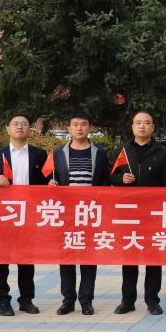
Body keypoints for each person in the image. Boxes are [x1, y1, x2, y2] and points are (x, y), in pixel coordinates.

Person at [108, 109, 166, 315]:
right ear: (132, 127)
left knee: (153, 259)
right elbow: (110, 177)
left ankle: (152, 300)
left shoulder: (162, 153)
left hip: (153, 215)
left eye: (146, 123)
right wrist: (120, 180)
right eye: (138, 123)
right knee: (129, 258)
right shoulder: (121, 151)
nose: (142, 126)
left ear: (153, 127)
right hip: (128, 214)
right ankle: (127, 300)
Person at [0, 113, 49, 316]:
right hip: (3, 216)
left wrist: (51, 184)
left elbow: (47, 180)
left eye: (24, 124)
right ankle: (3, 301)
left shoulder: (40, 155)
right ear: (8, 129)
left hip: (29, 215)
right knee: (0, 261)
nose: (20, 127)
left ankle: (26, 300)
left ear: (30, 129)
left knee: (26, 260)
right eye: (15, 124)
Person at [50, 112, 110, 316]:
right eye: (75, 124)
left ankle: (86, 300)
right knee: (66, 256)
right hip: (66, 213)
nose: (79, 128)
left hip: (90, 213)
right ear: (68, 128)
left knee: (88, 257)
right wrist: (51, 183)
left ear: (89, 128)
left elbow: (105, 181)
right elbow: (52, 177)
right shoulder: (58, 153)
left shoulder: (99, 152)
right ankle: (68, 300)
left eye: (83, 124)